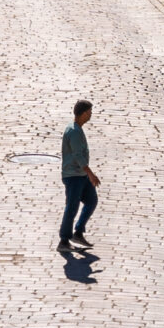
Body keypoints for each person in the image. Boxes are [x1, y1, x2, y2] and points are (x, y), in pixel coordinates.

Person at [58, 99, 100, 249]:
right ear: (82, 114)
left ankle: (78, 232)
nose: (90, 115)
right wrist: (91, 174)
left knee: (91, 200)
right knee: (72, 206)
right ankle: (64, 240)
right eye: (89, 112)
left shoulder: (76, 128)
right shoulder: (74, 131)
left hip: (80, 175)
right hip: (74, 176)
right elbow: (78, 156)